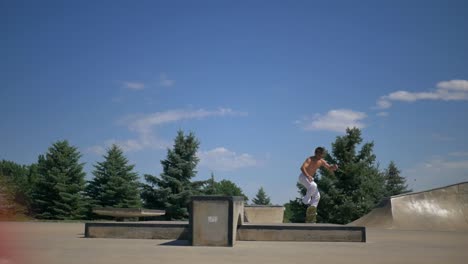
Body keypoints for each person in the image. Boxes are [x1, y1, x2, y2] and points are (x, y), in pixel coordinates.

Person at [298, 147, 338, 223]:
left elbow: (329, 168)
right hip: (303, 177)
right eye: (320, 155)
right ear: (316, 153)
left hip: (309, 179)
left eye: (322, 155)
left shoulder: (321, 161)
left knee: (317, 196)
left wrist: (334, 167)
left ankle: (311, 213)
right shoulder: (309, 159)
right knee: (313, 185)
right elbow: (302, 168)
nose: (320, 157)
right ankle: (305, 200)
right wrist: (308, 176)